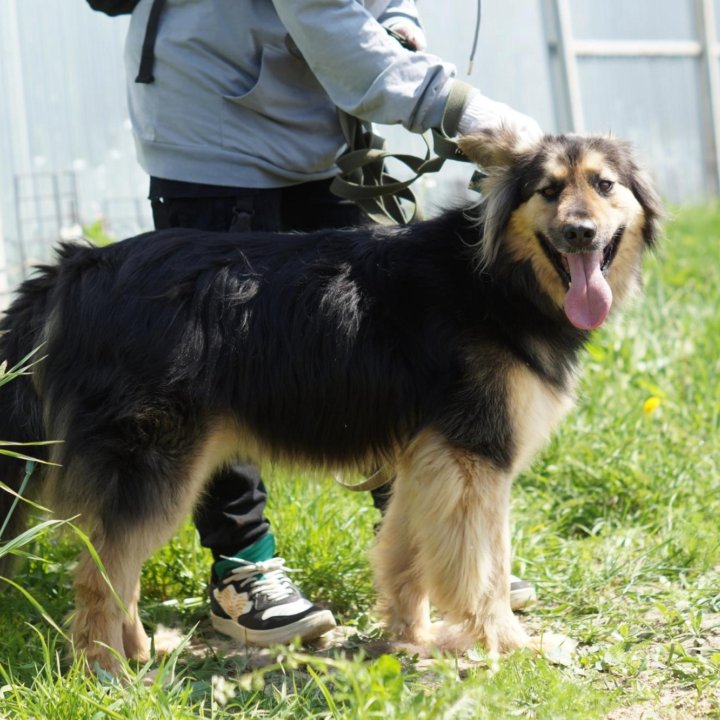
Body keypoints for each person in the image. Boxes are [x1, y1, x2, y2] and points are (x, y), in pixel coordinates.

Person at [123, 0, 540, 647]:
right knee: (214, 366)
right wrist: (456, 103)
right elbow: (326, 19)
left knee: (368, 357)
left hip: (317, 126)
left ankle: (437, 560)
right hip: (215, 127)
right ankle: (244, 566)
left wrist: (399, 24)